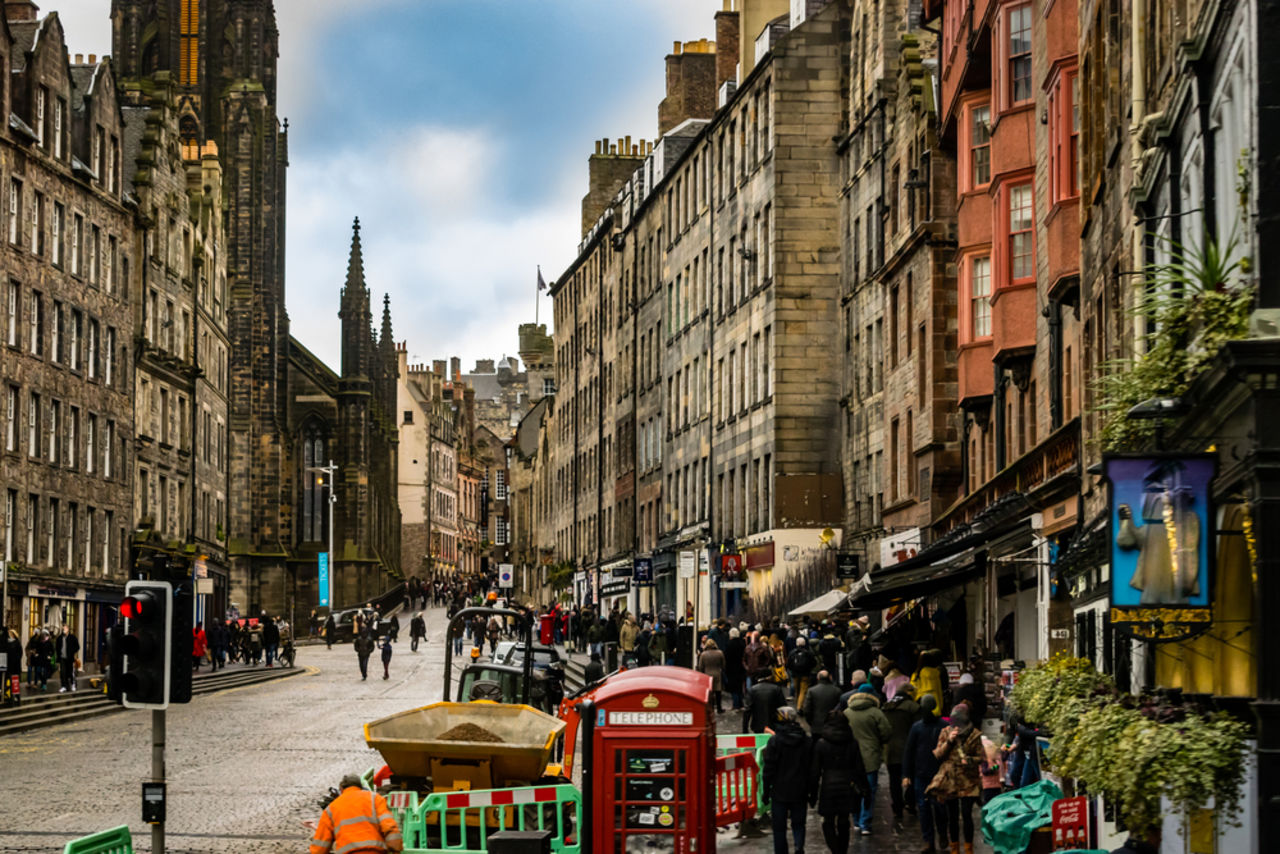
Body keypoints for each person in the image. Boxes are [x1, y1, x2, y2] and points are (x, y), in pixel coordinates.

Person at [808, 709, 870, 854]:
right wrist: (865, 789)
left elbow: (815, 771)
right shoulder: (852, 743)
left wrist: (812, 794)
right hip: (847, 785)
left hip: (828, 786)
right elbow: (859, 768)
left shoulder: (821, 743)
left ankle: (835, 850)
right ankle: (842, 850)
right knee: (844, 821)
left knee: (828, 821)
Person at [928, 704, 984, 854]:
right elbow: (938, 754)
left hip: (968, 780)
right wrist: (949, 741)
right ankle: (954, 849)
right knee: (952, 816)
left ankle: (969, 848)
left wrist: (970, 760)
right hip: (950, 780)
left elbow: (981, 757)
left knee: (966, 814)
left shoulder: (975, 734)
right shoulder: (946, 732)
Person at [309, 774, 404, 854]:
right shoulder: (375, 798)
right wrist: (396, 848)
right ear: (360, 787)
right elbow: (388, 825)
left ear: (341, 789)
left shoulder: (331, 808)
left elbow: (320, 845)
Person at [903, 693, 949, 854]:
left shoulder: (943, 726)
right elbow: (909, 751)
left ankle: (941, 833)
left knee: (939, 807)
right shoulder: (917, 727)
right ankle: (929, 840)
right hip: (922, 774)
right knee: (924, 808)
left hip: (938, 774)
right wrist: (906, 774)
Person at [761, 707, 811, 854]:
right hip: (800, 789)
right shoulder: (806, 740)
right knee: (799, 824)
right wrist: (812, 791)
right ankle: (799, 846)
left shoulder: (775, 741)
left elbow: (768, 768)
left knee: (779, 827)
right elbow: (811, 768)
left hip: (779, 790)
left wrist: (765, 791)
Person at [844, 683, 891, 836]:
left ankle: (856, 820)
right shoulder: (876, 712)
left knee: (854, 789)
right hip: (871, 756)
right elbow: (886, 732)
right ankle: (865, 822)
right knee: (869, 790)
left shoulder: (847, 712)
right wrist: (877, 742)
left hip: (851, 757)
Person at [883, 683, 921, 831]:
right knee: (910, 776)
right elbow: (918, 728)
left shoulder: (886, 706)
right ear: (909, 692)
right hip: (907, 748)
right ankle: (911, 803)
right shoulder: (913, 707)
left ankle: (897, 807)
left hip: (890, 749)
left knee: (894, 779)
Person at [697, 638, 726, 713]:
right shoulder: (720, 653)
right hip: (717, 673)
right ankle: (719, 708)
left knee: (710, 693)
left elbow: (700, 666)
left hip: (707, 674)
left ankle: (711, 708)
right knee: (718, 692)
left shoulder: (703, 654)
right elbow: (723, 665)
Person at [786, 636, 816, 707]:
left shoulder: (792, 652)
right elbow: (814, 663)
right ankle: (799, 707)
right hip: (805, 674)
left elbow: (788, 664)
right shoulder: (808, 653)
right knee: (802, 691)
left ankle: (798, 704)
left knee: (797, 691)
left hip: (795, 674)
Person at [724, 627, 747, 710]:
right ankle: (741, 704)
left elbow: (726, 657)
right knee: (740, 687)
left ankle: (736, 705)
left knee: (733, 688)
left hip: (731, 669)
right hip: (741, 668)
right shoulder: (742, 644)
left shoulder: (729, 644)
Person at [56, 625, 80, 693]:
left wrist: (72, 652)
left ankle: (73, 684)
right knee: (63, 673)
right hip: (62, 658)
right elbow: (57, 647)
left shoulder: (72, 637)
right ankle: (64, 686)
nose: (64, 630)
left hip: (70, 658)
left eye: (65, 628)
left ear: (68, 629)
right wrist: (59, 655)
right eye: (63, 628)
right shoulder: (60, 638)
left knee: (70, 672)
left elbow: (77, 647)